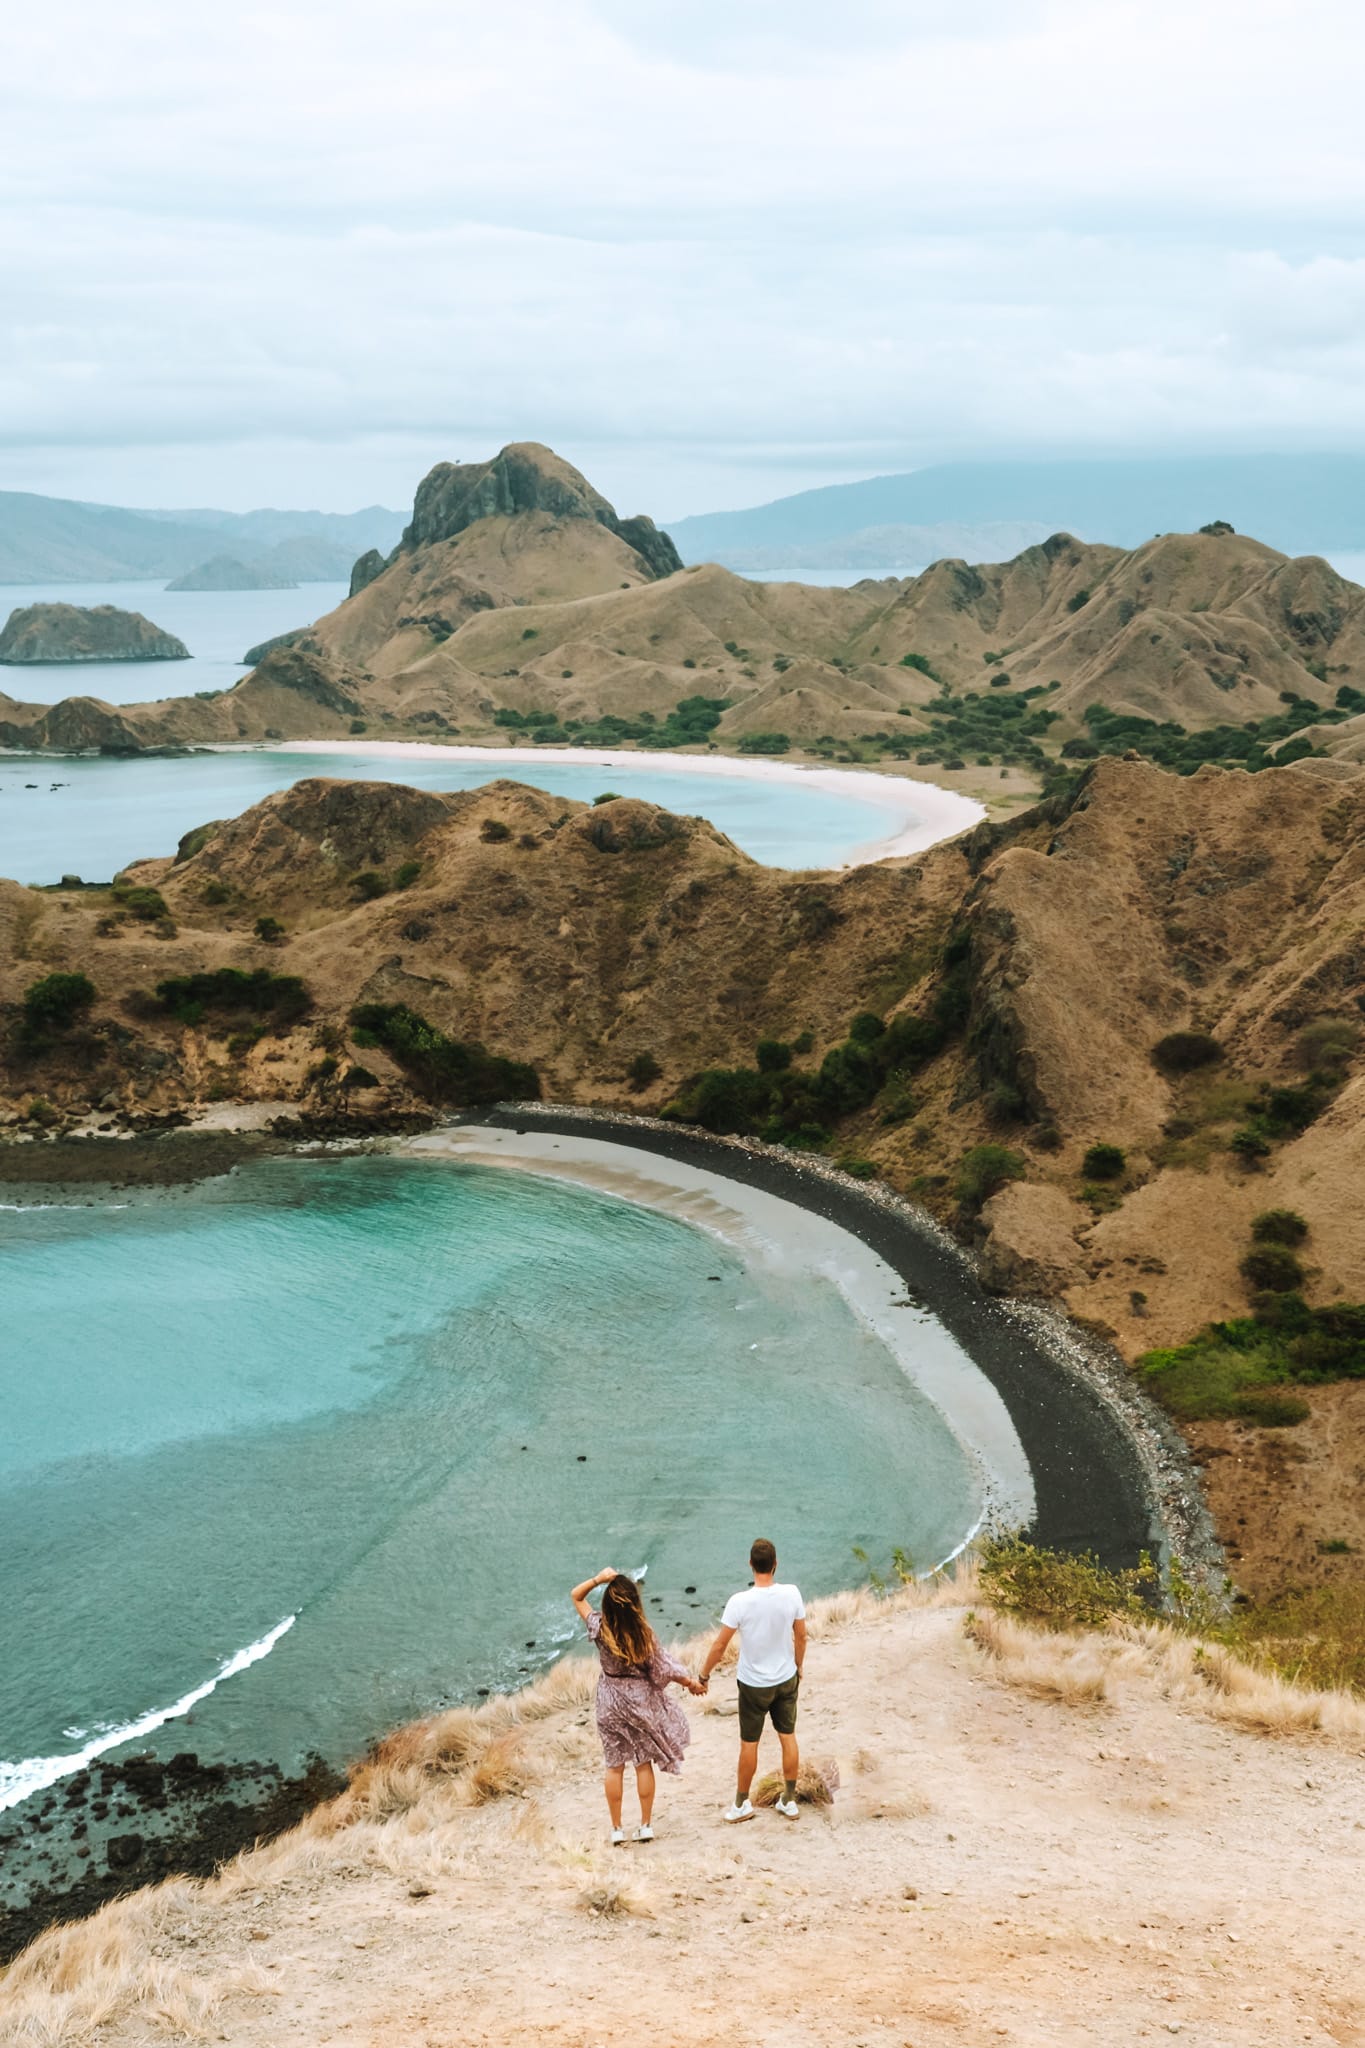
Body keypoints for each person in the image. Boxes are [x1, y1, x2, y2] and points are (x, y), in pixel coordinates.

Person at [571, 1566, 705, 1846]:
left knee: (614, 1766)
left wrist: (599, 1579)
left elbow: (576, 1596)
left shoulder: (599, 1627)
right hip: (639, 1704)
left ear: (608, 1604)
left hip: (609, 1701)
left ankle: (617, 1829)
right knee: (643, 1763)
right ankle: (645, 1825)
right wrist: (691, 1682)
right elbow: (664, 1667)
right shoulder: (644, 1633)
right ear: (635, 1604)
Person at [698, 1538, 806, 1823]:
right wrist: (798, 1666)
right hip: (785, 1678)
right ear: (775, 1564)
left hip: (753, 1684)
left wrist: (703, 1675)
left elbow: (720, 1646)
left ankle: (742, 1804)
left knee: (749, 1743)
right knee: (788, 1737)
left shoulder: (739, 1602)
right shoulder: (792, 1594)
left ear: (750, 1565)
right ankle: (789, 1800)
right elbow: (802, 1635)